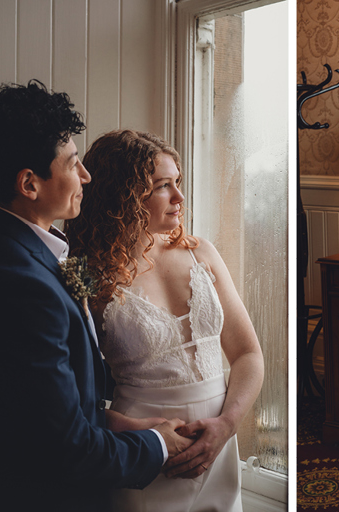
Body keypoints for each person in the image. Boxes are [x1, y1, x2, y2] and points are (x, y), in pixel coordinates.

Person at [0, 81, 193, 512]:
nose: (85, 176)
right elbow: (64, 445)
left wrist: (120, 421)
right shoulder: (15, 279)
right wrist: (158, 446)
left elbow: (64, 388)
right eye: (74, 163)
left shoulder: (64, 253)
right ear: (30, 184)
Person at [64, 129, 264, 512]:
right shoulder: (88, 274)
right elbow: (71, 397)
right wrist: (135, 431)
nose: (179, 197)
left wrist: (227, 424)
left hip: (219, 443)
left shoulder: (201, 253)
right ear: (124, 194)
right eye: (162, 186)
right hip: (144, 448)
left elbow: (247, 354)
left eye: (178, 182)